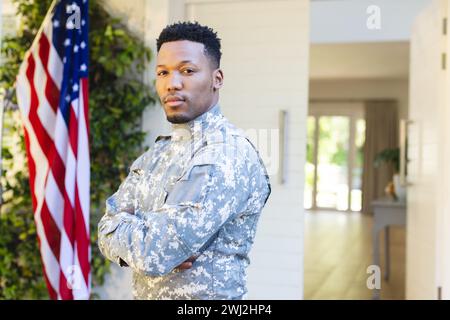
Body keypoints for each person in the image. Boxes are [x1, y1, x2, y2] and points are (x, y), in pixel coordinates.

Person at [98, 21, 271, 300]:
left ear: (217, 79)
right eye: (162, 72)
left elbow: (157, 252)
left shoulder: (225, 154)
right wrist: (141, 241)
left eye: (187, 71)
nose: (172, 83)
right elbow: (105, 229)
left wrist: (135, 231)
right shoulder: (157, 154)